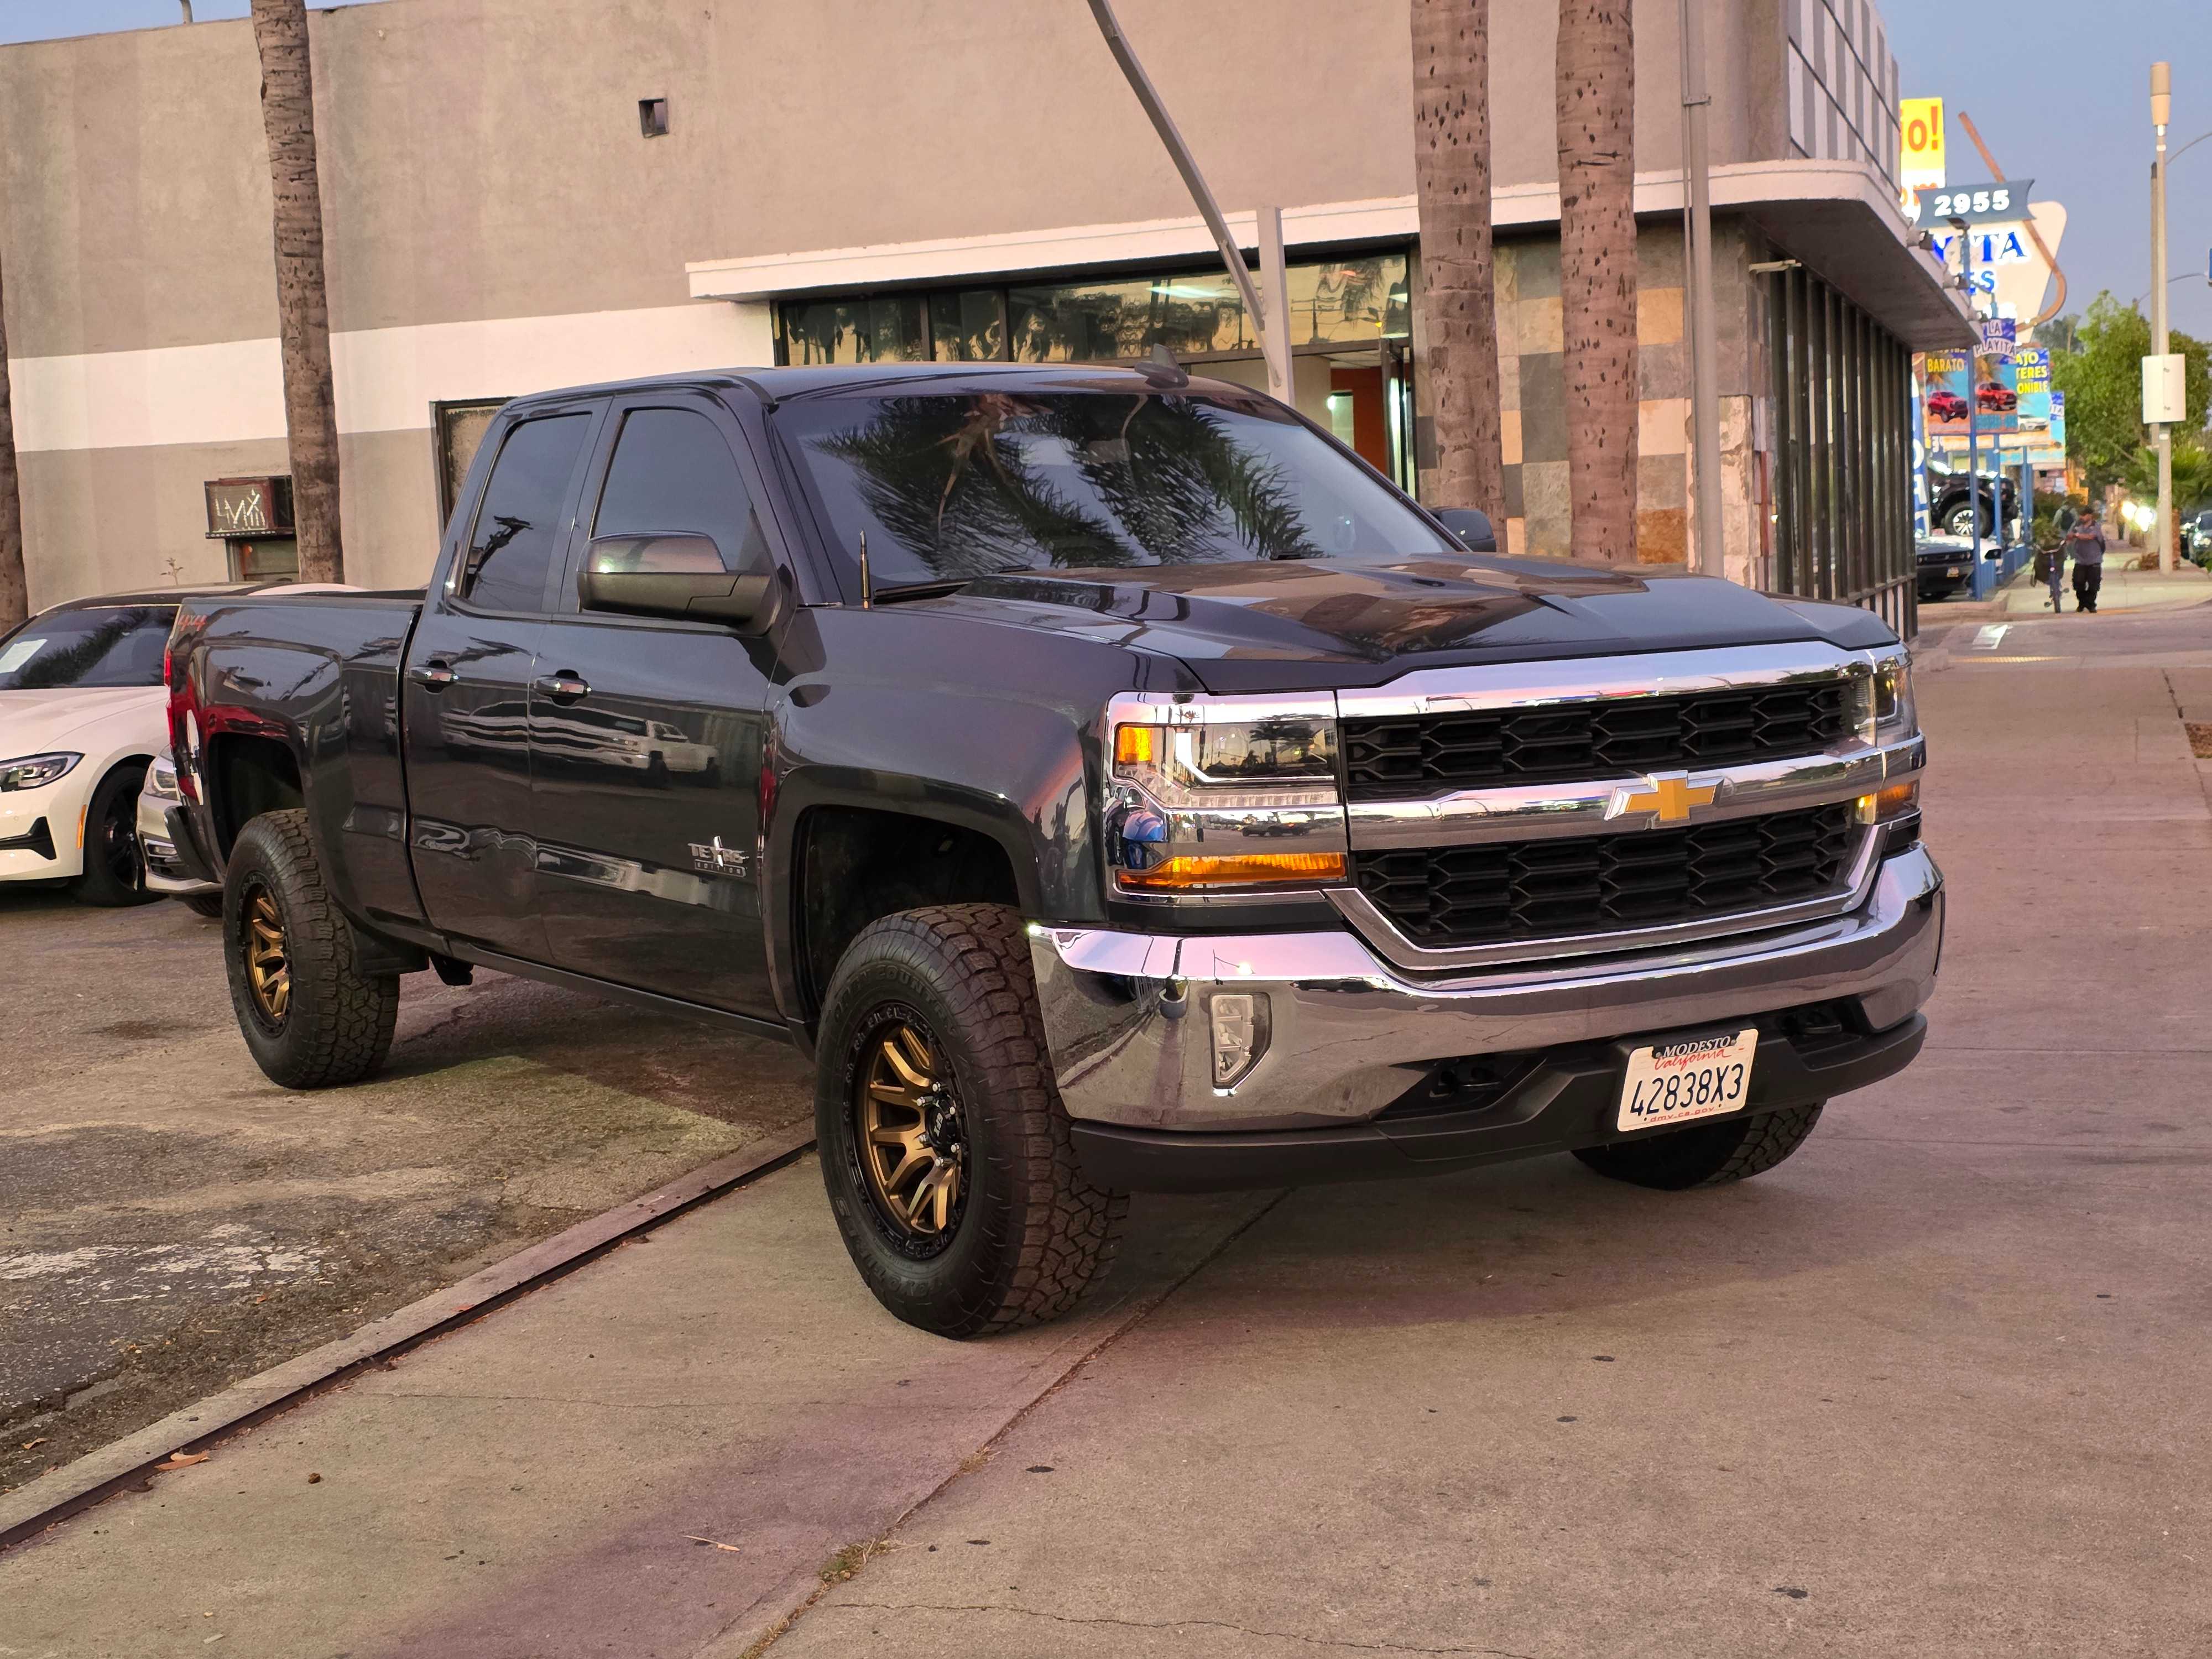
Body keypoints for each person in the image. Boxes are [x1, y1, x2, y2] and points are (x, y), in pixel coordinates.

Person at [2064, 508, 2107, 613]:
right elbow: (2070, 536)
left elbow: (2090, 537)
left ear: (2090, 516)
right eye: (2080, 515)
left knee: (2094, 585)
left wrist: (2077, 535)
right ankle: (2082, 603)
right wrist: (2068, 541)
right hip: (2080, 560)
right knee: (2078, 583)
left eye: (2084, 515)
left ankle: (2091, 605)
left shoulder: (2096, 526)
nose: (2081, 517)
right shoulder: (2077, 526)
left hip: (2094, 560)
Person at [2034, 536, 2067, 612]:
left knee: (2058, 566)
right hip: (2046, 555)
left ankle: (2057, 586)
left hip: (2056, 554)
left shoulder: (2057, 538)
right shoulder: (2043, 539)